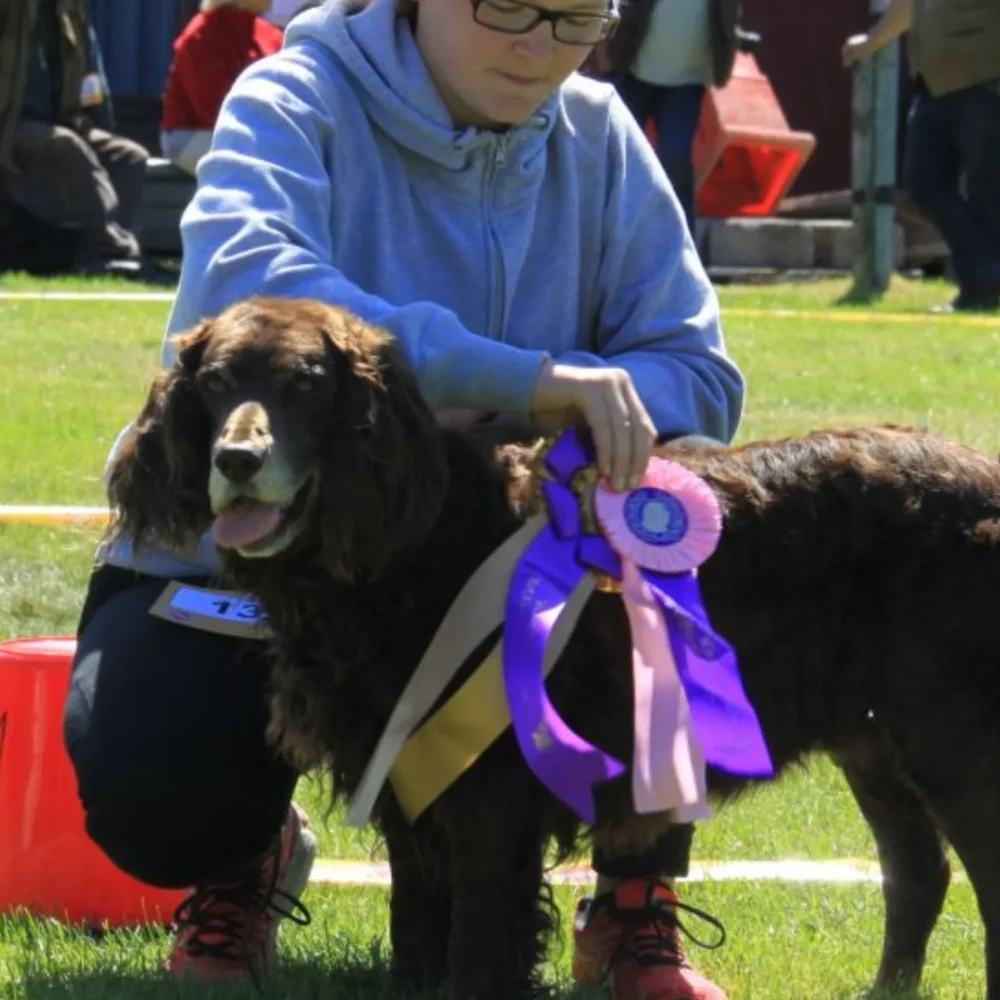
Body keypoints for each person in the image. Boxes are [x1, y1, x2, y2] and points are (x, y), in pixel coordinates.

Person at [63, 1, 745, 998]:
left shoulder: (603, 135)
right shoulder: (291, 96)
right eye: (506, 5)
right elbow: (248, 277)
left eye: (577, 16)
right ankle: (241, 853)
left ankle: (635, 896)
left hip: (499, 578)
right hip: (256, 562)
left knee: (675, 530)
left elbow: (698, 374)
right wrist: (526, 379)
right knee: (157, 780)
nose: (538, 44)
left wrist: (571, 431)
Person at [843, 0, 1000, 313]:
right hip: (933, 85)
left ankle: (979, 288)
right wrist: (872, 41)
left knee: (988, 190)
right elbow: (908, 7)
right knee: (923, 181)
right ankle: (986, 272)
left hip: (985, 81)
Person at [0, 0, 162, 280]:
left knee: (130, 156)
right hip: (10, 122)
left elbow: (89, 69)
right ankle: (114, 249)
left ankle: (98, 253)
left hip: (61, 118)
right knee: (67, 146)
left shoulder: (68, 10)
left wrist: (99, 121)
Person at [586, 0, 743, 234]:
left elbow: (729, 17)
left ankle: (683, 252)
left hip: (687, 82)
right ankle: (601, 241)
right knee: (616, 158)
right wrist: (603, 51)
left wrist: (725, 57)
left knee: (676, 160)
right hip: (632, 73)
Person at [160, 0, 284, 176]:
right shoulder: (203, 32)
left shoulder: (269, 33)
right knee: (263, 162)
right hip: (192, 134)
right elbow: (212, 109)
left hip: (256, 131)